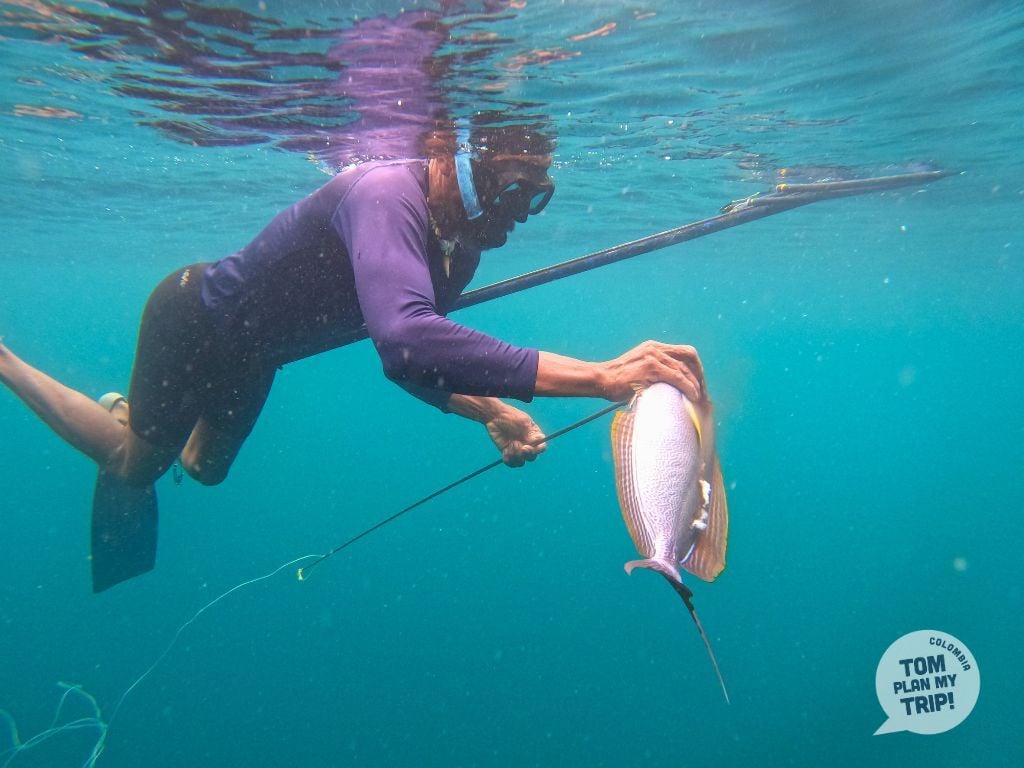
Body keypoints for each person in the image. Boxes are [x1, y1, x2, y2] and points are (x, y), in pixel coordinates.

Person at [0, 123, 705, 494]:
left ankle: (139, 413)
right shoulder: (383, 194)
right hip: (194, 323)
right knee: (136, 468)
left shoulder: (459, 250)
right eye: (516, 189)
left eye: (538, 197)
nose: (522, 213)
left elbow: (409, 360)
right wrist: (601, 377)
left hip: (258, 353)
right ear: (464, 165)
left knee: (207, 472)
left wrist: (491, 412)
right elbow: (406, 341)